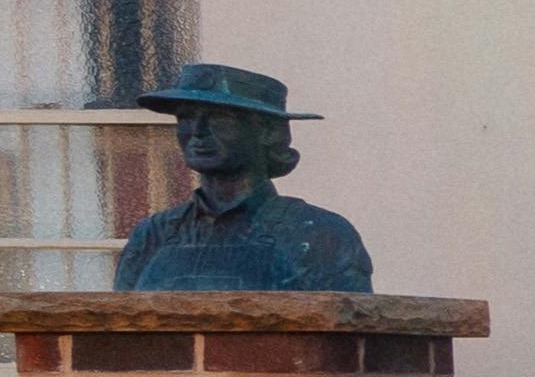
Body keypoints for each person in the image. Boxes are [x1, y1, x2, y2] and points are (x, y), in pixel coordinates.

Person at [111, 63, 377, 293]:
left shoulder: (320, 233)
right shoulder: (153, 235)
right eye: (186, 118)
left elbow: (346, 341)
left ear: (268, 132)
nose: (197, 132)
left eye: (220, 119)